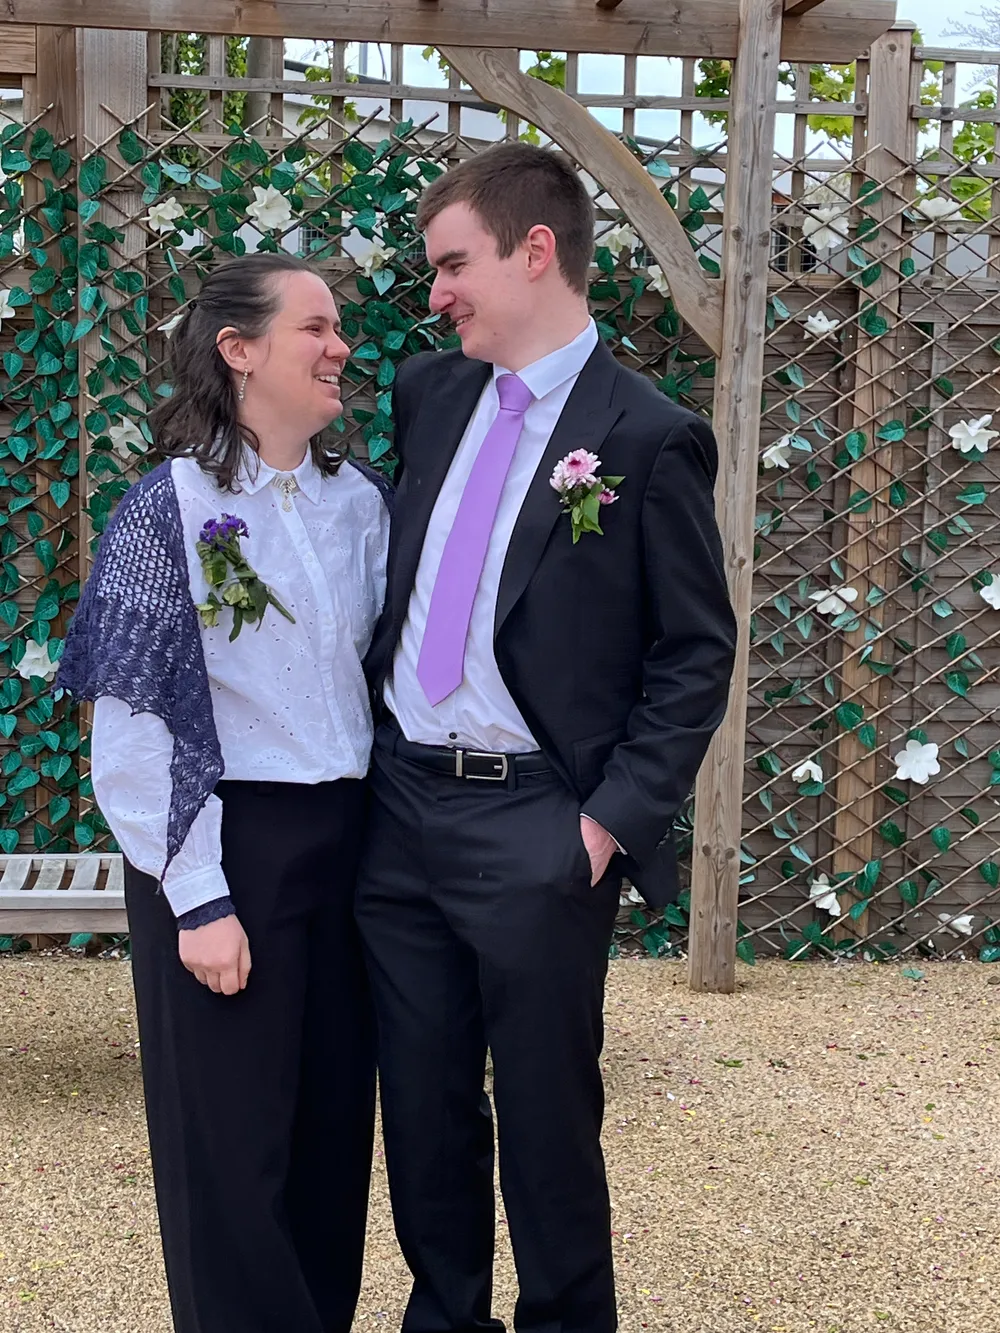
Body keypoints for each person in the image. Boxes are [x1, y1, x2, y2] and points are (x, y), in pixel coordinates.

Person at [356, 142, 737, 1333]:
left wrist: (606, 823)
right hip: (399, 808)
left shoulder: (647, 434)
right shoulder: (429, 393)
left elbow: (695, 651)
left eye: (452, 264)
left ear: (534, 252)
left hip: (538, 822)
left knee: (546, 1113)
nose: (435, 293)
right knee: (422, 1109)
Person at [57, 253, 391, 1333]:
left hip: (350, 843)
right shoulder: (168, 508)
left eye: (338, 327)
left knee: (331, 1130)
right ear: (238, 349)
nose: (340, 346)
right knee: (229, 1145)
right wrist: (196, 892)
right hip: (225, 841)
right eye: (315, 328)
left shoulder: (361, 505)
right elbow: (133, 719)